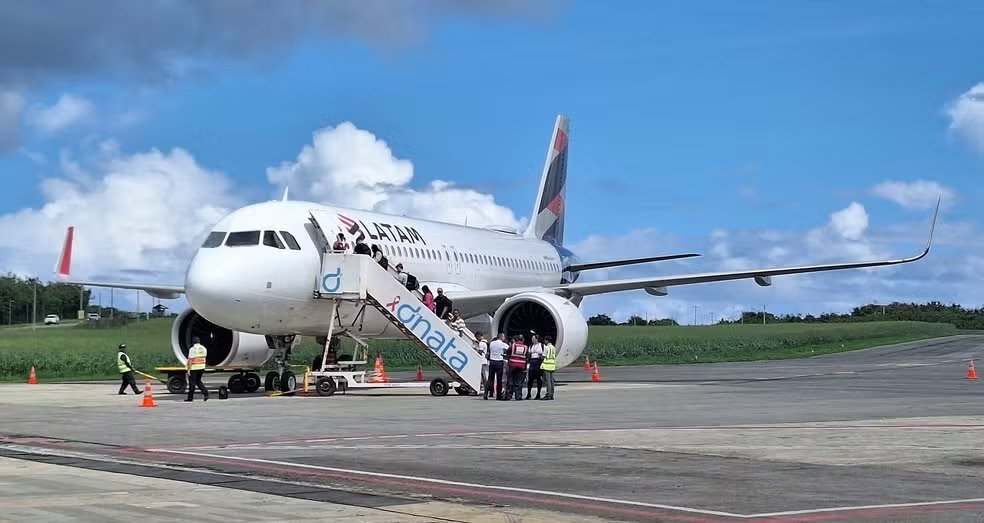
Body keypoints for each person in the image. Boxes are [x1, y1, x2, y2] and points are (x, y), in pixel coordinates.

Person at [185, 336, 209, 402]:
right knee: (198, 381)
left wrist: (188, 370)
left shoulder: (193, 349)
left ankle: (190, 398)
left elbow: (190, 360)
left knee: (192, 383)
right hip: (201, 367)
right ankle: (206, 393)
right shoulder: (203, 348)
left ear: (193, 342)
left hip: (194, 368)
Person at [506, 335, 529, 401]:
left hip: (512, 365)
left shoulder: (513, 346)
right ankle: (518, 396)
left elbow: (507, 353)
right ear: (523, 340)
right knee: (519, 382)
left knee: (510, 381)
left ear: (516, 339)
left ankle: (509, 395)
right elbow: (527, 357)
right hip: (521, 366)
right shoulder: (525, 347)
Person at [486, 333, 507, 400]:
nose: (504, 338)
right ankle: (498, 395)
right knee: (499, 380)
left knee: (490, 378)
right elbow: (509, 349)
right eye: (503, 337)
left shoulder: (492, 343)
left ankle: (486, 393)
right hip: (499, 361)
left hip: (492, 361)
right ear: (501, 337)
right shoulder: (502, 344)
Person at [526, 334, 545, 400]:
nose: (532, 340)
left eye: (533, 338)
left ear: (537, 339)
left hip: (538, 363)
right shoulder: (531, 346)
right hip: (532, 363)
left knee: (538, 380)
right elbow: (529, 355)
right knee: (530, 380)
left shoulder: (542, 346)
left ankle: (538, 394)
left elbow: (544, 354)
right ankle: (528, 394)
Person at [540, 335, 557, 400]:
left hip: (546, 365)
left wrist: (540, 357)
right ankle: (551, 394)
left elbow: (544, 356)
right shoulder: (553, 347)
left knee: (547, 381)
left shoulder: (546, 347)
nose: (544, 341)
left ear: (547, 340)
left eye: (545, 340)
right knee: (551, 381)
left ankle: (548, 394)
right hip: (552, 365)